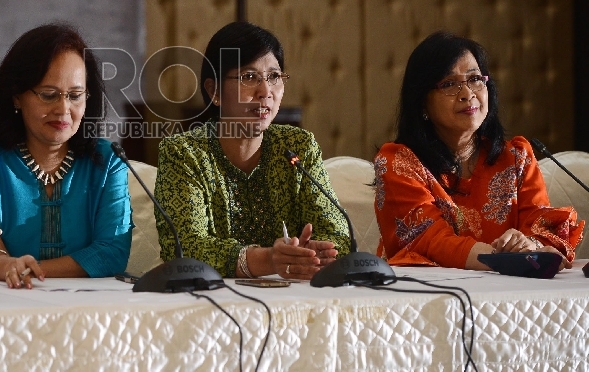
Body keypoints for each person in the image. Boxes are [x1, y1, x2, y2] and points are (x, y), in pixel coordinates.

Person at [153, 22, 351, 280]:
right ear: (214, 91)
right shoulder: (184, 153)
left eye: (274, 77)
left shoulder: (298, 147)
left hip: (293, 299)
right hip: (212, 302)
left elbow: (340, 237)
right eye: (248, 77)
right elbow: (183, 248)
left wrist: (312, 254)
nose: (266, 92)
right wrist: (268, 259)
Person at [374, 31, 584, 270]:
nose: (467, 94)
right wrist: (506, 258)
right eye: (449, 84)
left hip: (510, 295)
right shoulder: (399, 162)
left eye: (475, 79)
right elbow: (429, 241)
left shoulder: (516, 157)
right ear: (422, 101)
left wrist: (530, 245)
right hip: (430, 296)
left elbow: (539, 224)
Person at [0, 24, 132, 288]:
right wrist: (7, 264)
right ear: (16, 97)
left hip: (89, 310)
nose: (63, 109)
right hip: (6, 309)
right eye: (48, 95)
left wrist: (16, 265)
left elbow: (111, 253)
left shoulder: (107, 161)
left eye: (75, 96)